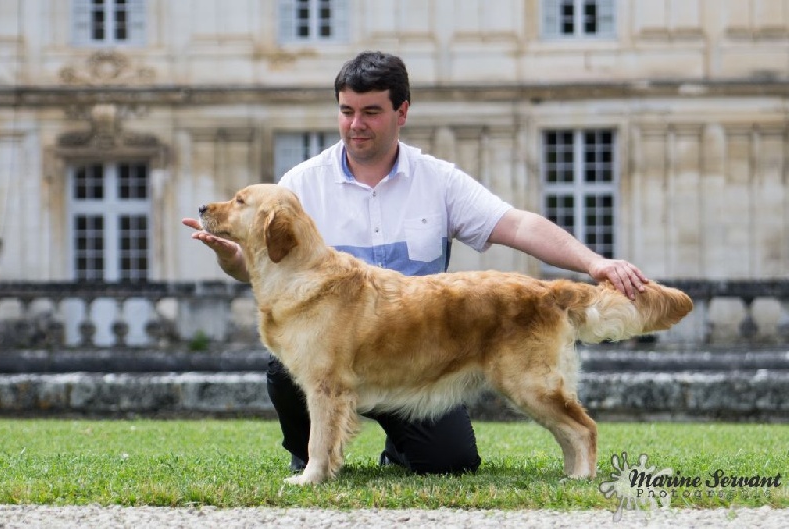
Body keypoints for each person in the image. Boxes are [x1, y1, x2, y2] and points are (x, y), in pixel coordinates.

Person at [182, 51, 648, 476]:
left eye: (370, 112)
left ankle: (401, 447)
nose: (355, 125)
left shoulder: (438, 180)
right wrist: (232, 258)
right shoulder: (302, 183)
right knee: (286, 367)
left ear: (401, 112)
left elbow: (518, 226)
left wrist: (594, 263)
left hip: (423, 361)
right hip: (336, 351)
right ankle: (311, 454)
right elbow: (264, 264)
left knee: (451, 463)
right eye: (346, 112)